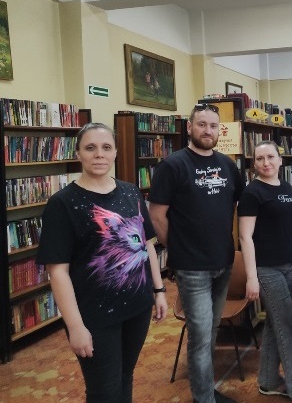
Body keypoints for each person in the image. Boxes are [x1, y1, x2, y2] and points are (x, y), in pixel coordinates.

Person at [36, 122, 168, 402]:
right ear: (78, 153)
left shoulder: (131, 192)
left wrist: (158, 291)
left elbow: (147, 245)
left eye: (106, 147)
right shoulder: (62, 203)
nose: (99, 154)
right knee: (104, 392)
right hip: (94, 316)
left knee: (125, 377)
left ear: (116, 152)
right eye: (90, 148)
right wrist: (75, 327)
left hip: (137, 307)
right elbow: (57, 272)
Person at [148, 103, 243, 403]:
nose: (208, 131)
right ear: (189, 127)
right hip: (192, 268)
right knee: (200, 337)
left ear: (219, 130)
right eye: (201, 124)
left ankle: (206, 391)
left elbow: (239, 205)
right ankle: (203, 399)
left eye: (213, 126)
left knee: (211, 331)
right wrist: (178, 248)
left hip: (223, 262)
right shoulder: (173, 165)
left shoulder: (227, 165)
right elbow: (157, 216)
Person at [237, 140, 292, 403]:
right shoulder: (252, 193)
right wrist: (252, 277)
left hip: (289, 265)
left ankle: (268, 380)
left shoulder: (287, 187)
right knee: (288, 326)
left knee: (274, 323)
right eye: (259, 159)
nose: (265, 163)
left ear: (280, 160)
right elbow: (245, 237)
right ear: (254, 164)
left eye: (270, 157)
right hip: (266, 269)